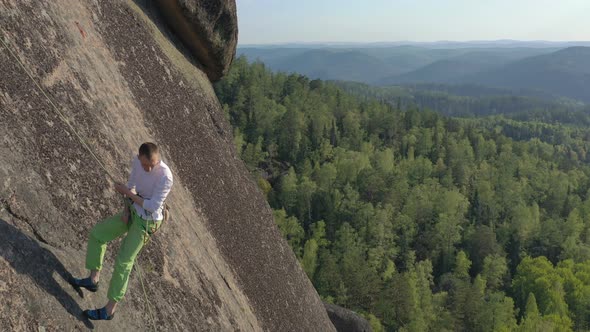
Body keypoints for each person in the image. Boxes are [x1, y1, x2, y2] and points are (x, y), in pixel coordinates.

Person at [69, 142, 173, 320]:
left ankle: (109, 310)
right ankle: (93, 280)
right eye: (144, 164)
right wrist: (126, 208)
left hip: (147, 222)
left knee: (124, 261)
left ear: (157, 159)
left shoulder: (165, 176)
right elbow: (131, 185)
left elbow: (152, 206)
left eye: (151, 164)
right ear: (140, 158)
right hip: (132, 210)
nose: (147, 168)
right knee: (98, 233)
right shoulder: (137, 162)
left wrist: (127, 193)